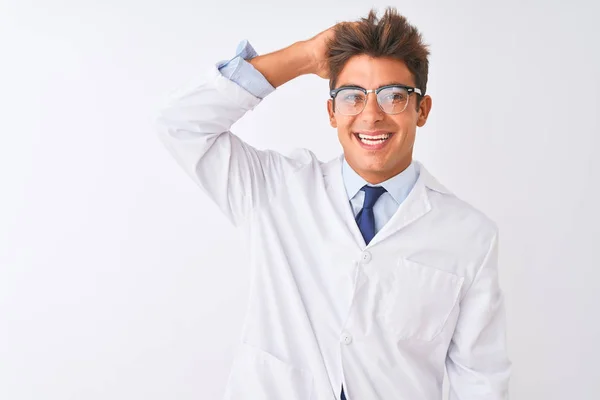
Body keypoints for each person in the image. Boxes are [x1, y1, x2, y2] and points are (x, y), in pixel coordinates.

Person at [156, 7, 511, 400]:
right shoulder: (275, 188)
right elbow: (181, 124)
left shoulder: (470, 237)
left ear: (421, 110)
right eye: (352, 97)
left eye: (394, 96)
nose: (371, 116)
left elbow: (480, 381)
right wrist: (305, 56)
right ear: (332, 112)